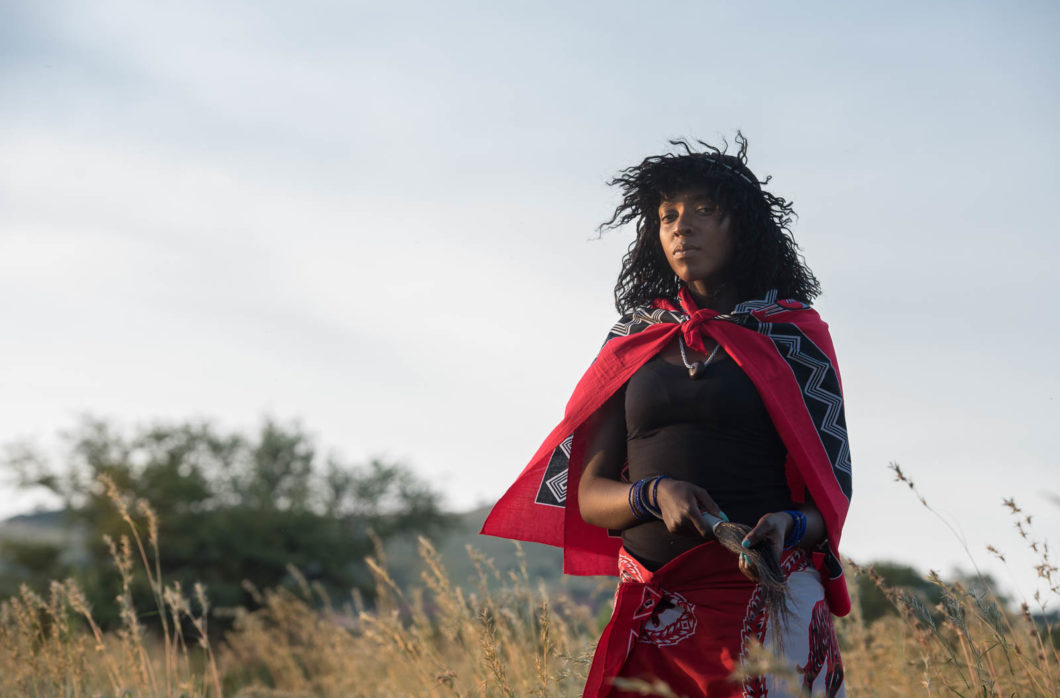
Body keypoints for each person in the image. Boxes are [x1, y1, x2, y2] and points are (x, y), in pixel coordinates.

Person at [481, 134, 851, 697]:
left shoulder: (794, 338)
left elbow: (830, 498)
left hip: (768, 607)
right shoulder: (633, 341)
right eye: (668, 216)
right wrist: (653, 494)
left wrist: (788, 525)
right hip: (655, 616)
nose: (682, 227)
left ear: (744, 226)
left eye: (704, 210)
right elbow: (590, 496)